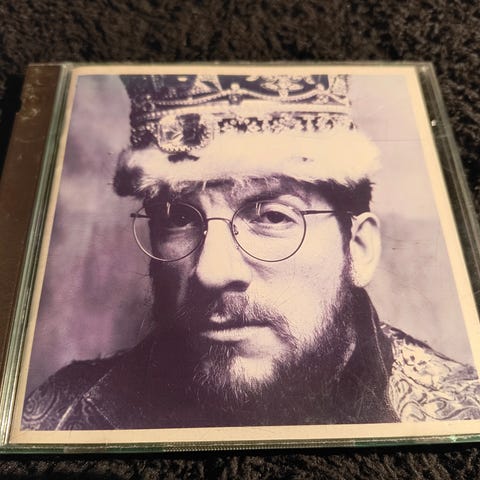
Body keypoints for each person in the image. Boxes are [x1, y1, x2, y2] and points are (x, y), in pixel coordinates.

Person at [22, 73, 480, 430]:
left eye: (272, 217)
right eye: (178, 218)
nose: (211, 271)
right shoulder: (55, 418)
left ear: (357, 249)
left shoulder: (462, 420)